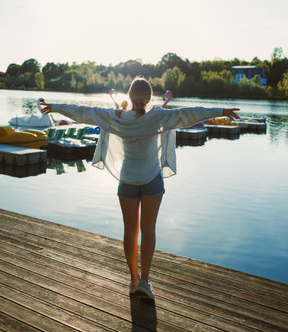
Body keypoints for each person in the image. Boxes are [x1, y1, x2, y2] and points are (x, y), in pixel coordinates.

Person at [41, 76, 239, 301]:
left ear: (129, 97)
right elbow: (190, 113)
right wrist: (221, 110)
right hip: (152, 181)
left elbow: (86, 112)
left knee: (130, 231)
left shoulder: (118, 117)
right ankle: (145, 280)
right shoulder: (160, 117)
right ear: (150, 98)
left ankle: (134, 280)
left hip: (127, 182)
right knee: (149, 230)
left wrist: (56, 107)